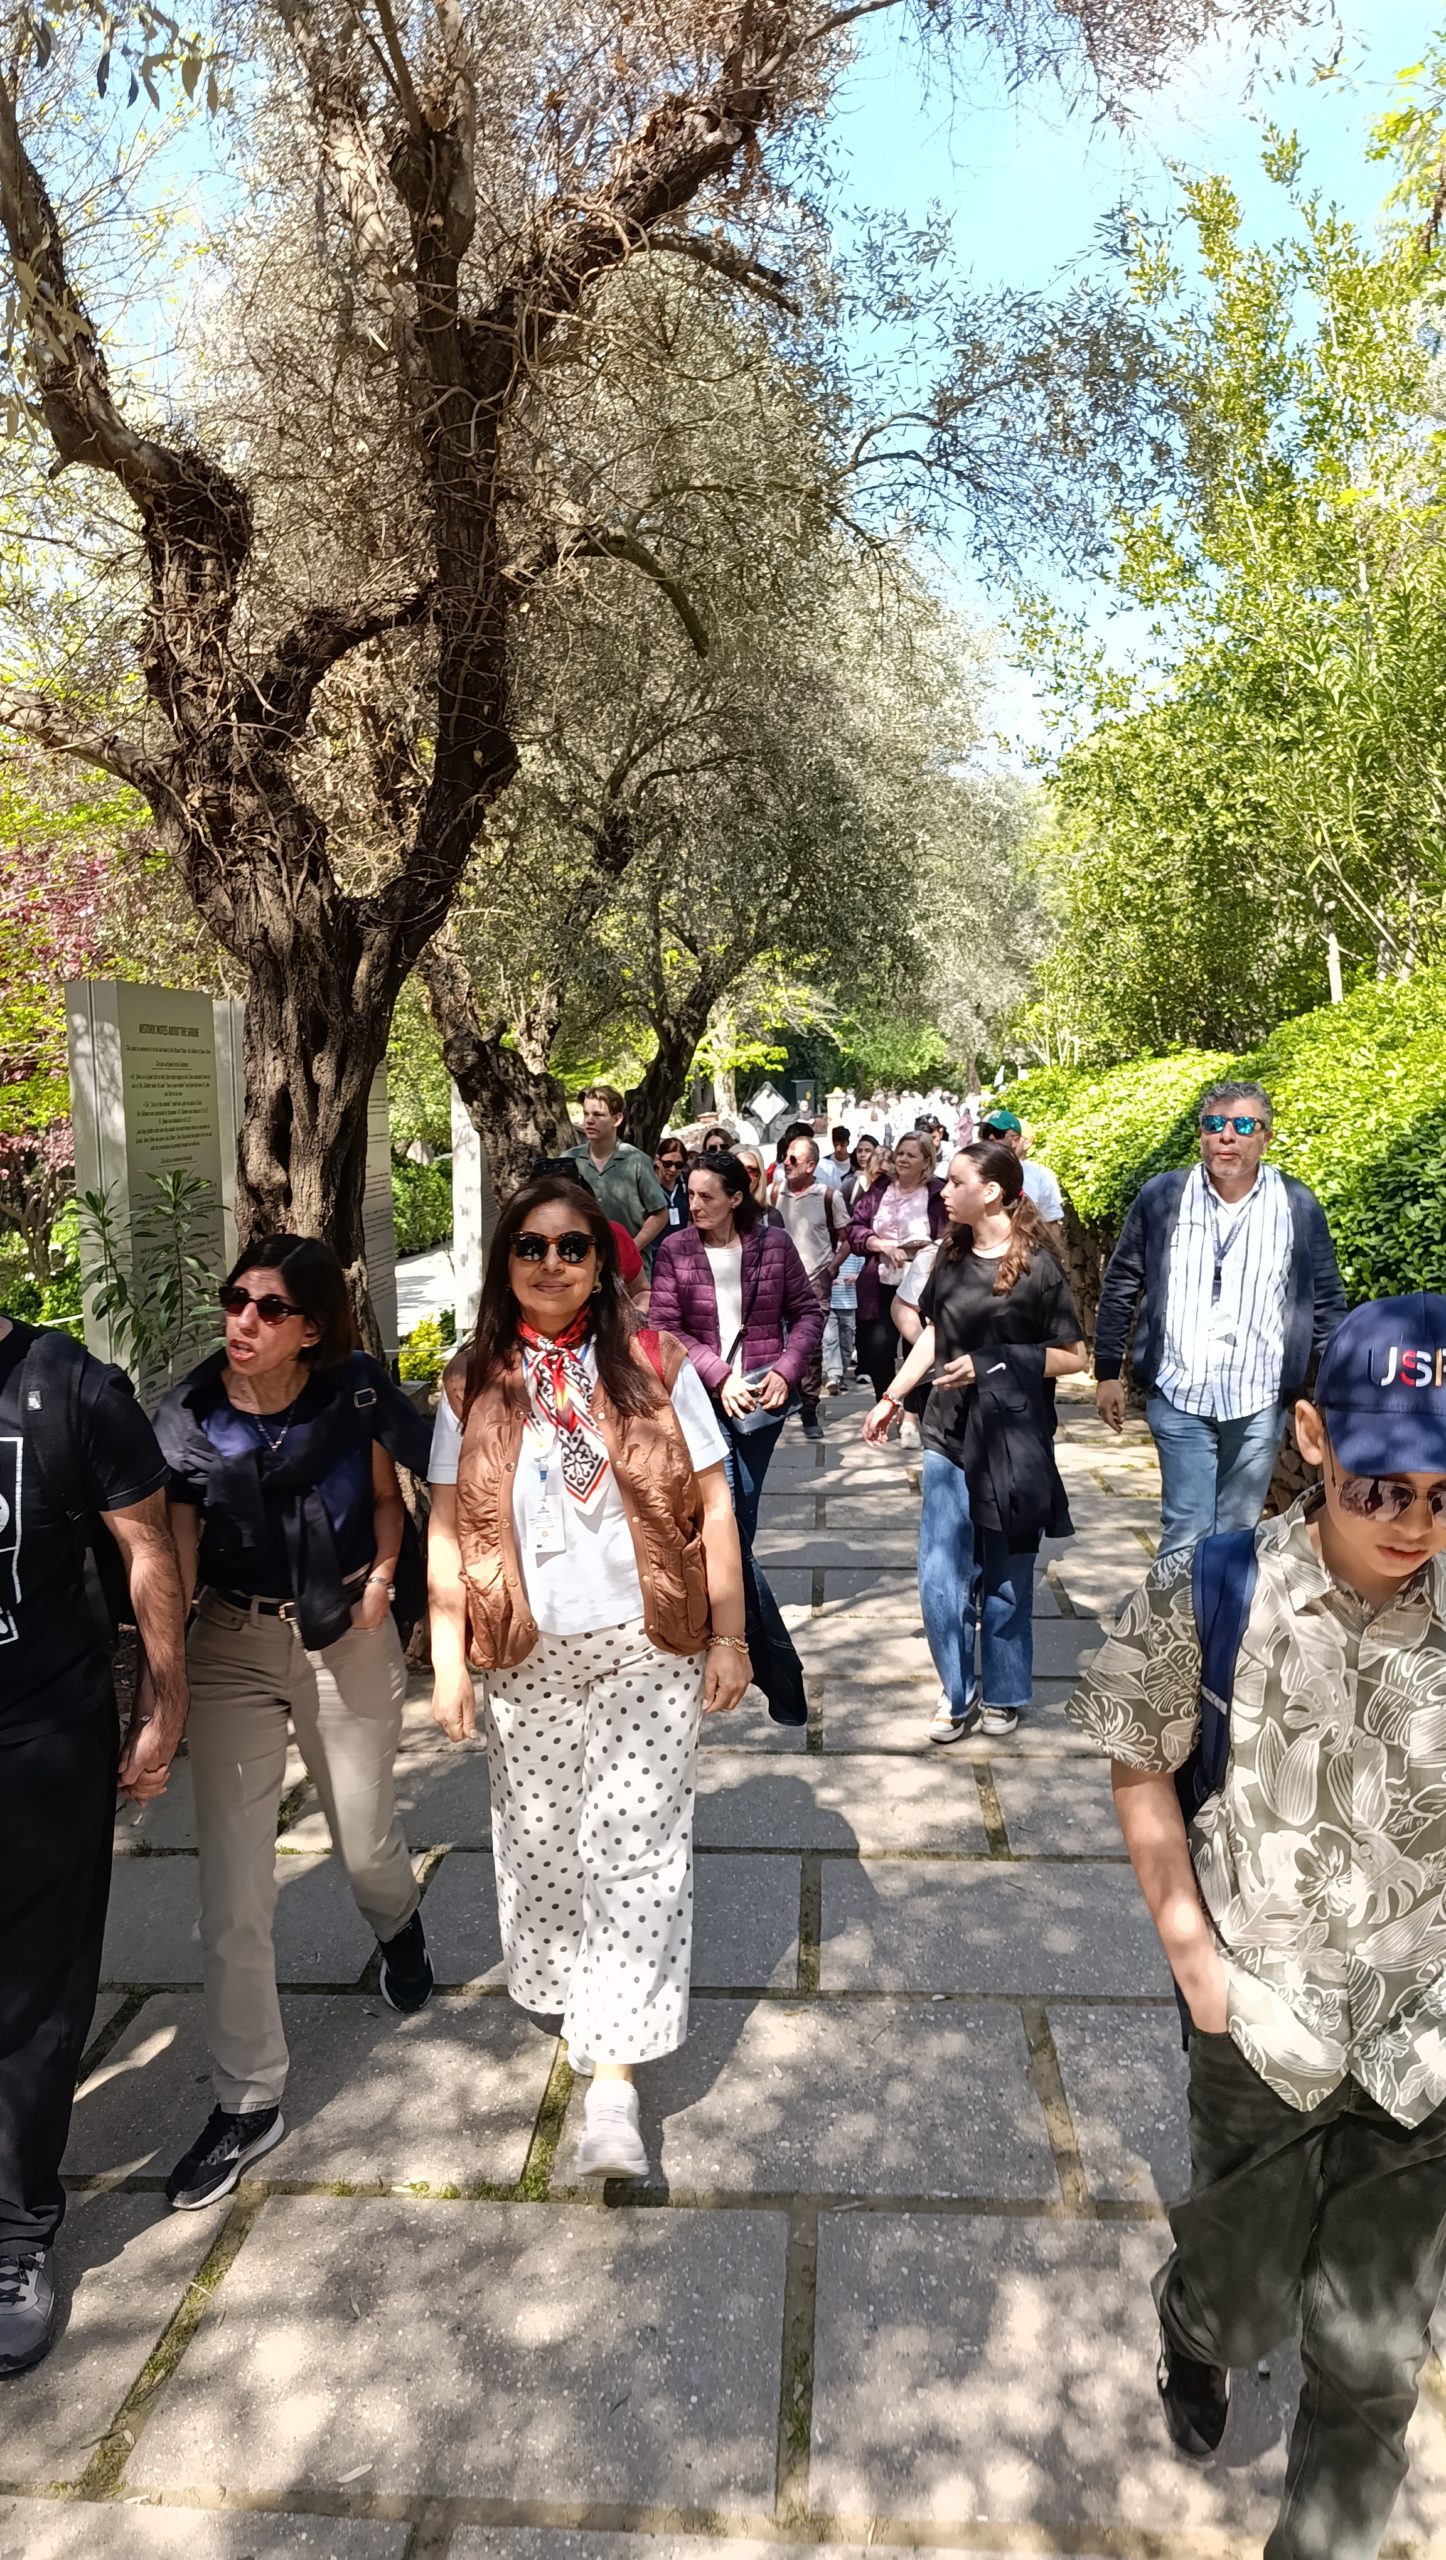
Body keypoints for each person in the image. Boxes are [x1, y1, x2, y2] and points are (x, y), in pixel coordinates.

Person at [1069, 1292, 1446, 2560]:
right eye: (1382, 1486)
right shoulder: (1212, 1586)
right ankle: (1192, 2326)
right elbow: (1140, 1759)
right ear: (1314, 1437)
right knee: (1240, 2302)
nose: (1412, 1522)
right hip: (1262, 2018)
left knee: (1375, 2355)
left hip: (1423, 2037)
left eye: (1443, 1494)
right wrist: (1198, 1965)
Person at [426, 1177, 750, 2183]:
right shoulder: (471, 1378)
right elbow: (446, 1524)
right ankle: (586, 1996)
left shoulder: (655, 1362)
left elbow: (714, 1502)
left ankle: (615, 2079)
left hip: (646, 1643)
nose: (552, 1263)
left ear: (600, 1264)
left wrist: (731, 1635)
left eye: (572, 1246)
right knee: (543, 1848)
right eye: (531, 1246)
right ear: (505, 1261)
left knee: (635, 1846)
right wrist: (446, 1659)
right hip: (525, 1653)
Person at [155, 1236, 435, 2210]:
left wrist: (389, 1580)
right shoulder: (190, 1415)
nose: (244, 1320)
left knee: (365, 1845)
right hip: (232, 1642)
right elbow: (178, 1552)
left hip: (346, 1634)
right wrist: (164, 1685)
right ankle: (249, 2100)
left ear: (310, 1329)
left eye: (270, 1308)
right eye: (236, 1299)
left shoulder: (354, 1392)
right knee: (232, 1891)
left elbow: (397, 1490)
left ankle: (398, 1924)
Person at [0, 1314, 189, 2376]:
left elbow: (146, 1548)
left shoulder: (68, 1386)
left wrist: (165, 1701)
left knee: (32, 1995)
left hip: (39, 1744)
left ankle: (15, 2234)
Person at [862, 1143, 1086, 1743]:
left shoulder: (1039, 1265)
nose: (944, 1190)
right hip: (947, 1433)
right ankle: (956, 1691)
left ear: (990, 1192)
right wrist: (892, 1396)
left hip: (1014, 1439)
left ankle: (1006, 1691)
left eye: (955, 1181)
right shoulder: (951, 1254)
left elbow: (1073, 1356)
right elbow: (935, 1334)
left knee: (1007, 1575)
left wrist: (994, 1363)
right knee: (940, 1573)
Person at [1093, 1081, 1346, 1554]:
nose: (1227, 1136)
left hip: (1258, 1397)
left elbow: (1327, 1302)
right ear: (1201, 1134)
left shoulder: (1296, 1204)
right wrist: (1107, 1371)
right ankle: (1177, 1606)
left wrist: (1337, 1393)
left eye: (1244, 1125)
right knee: (1185, 1530)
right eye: (1215, 1124)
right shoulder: (1163, 1196)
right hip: (1179, 1390)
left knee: (1237, 1534)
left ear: (1265, 1137)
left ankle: (1221, 1607)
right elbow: (1122, 1281)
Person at [650, 1151, 824, 1726]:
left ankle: (725, 1635)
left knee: (737, 1521)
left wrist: (786, 1371)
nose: (693, 1204)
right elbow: (664, 1327)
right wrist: (719, 1377)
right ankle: (774, 1667)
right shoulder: (675, 1250)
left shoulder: (773, 1246)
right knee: (719, 1519)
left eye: (706, 1196)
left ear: (735, 1197)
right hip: (699, 1400)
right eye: (689, 1194)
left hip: (759, 1406)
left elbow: (807, 1313)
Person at [848, 1131, 948, 1447]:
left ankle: (912, 1417)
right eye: (900, 1153)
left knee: (917, 1351)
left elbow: (952, 1234)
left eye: (911, 1155)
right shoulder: (880, 1188)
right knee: (877, 1351)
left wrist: (927, 1250)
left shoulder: (938, 1192)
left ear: (926, 1161)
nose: (902, 1159)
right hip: (881, 1282)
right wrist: (879, 1244)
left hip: (923, 1286)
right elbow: (854, 1228)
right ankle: (888, 1404)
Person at [776, 1135, 848, 1441]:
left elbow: (846, 1239)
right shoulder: (773, 1192)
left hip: (815, 1278)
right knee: (778, 1341)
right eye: (786, 1156)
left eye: (794, 1158)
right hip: (779, 1279)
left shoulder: (829, 1196)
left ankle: (809, 1408)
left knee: (810, 1345)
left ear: (811, 1165)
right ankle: (782, 1400)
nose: (786, 1162)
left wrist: (831, 1269)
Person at [566, 1085, 669, 1251]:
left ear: (617, 1119)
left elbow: (660, 1214)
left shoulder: (637, 1161)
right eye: (586, 1114)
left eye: (598, 1115)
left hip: (631, 1263)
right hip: (583, 1260)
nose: (589, 1120)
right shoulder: (568, 1160)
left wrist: (631, 1248)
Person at [979, 1108, 1064, 1236]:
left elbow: (1051, 1223)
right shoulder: (973, 1173)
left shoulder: (1038, 1178)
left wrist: (1056, 1248)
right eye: (986, 1133)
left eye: (998, 1133)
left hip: (1026, 1246)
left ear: (1015, 1140)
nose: (991, 1138)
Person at [654, 1136, 691, 1230]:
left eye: (679, 1165)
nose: (673, 1169)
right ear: (658, 1160)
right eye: (668, 1164)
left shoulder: (686, 1183)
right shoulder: (647, 1184)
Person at [818, 1126, 853, 1194]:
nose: (838, 1149)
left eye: (842, 1145)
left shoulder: (855, 1162)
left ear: (848, 1143)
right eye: (836, 1145)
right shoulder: (824, 1163)